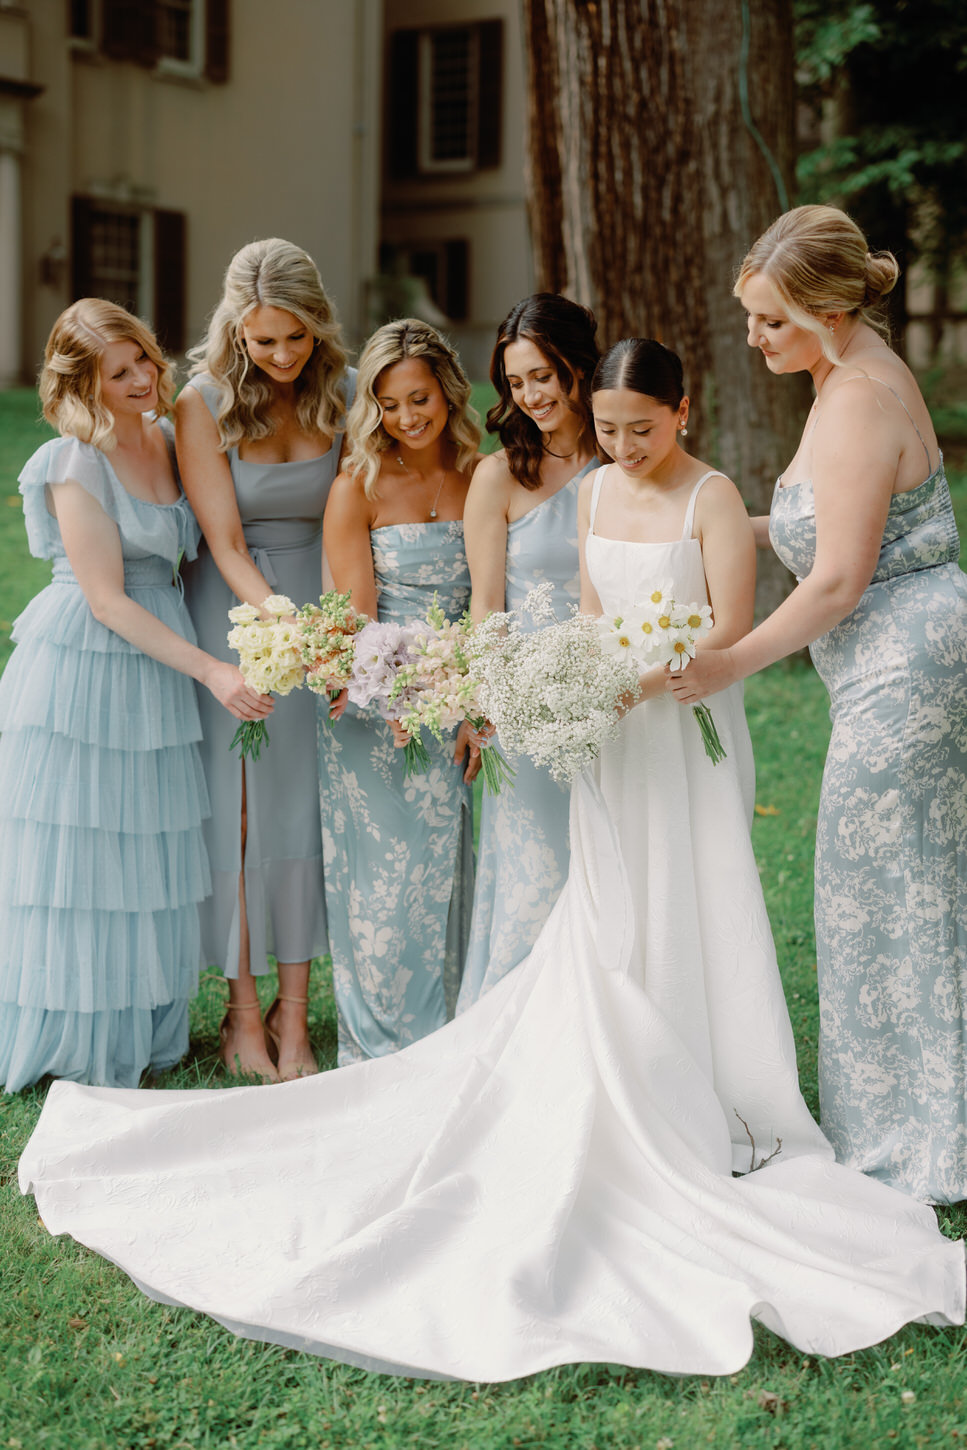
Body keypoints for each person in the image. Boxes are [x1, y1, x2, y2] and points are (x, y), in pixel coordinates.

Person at [18, 337, 964, 1378]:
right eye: (605, 430)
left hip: (681, 723)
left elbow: (722, 624)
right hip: (596, 722)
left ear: (682, 414)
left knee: (704, 894)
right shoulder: (583, 492)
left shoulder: (702, 496)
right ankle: (621, 1071)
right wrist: (567, 685)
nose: (615, 445)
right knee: (604, 906)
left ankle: (720, 1084)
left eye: (635, 427)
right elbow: (574, 613)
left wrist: (628, 678)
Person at [667, 204, 967, 1206]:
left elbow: (836, 580)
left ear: (827, 309)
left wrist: (729, 662)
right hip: (900, 653)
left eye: (769, 321)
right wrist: (709, 527)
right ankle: (929, 1122)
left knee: (875, 888)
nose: (753, 338)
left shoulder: (853, 400)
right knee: (910, 884)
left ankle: (913, 1142)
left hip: (903, 666)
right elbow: (827, 520)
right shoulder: (850, 369)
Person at [0, 299, 269, 1092]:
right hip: (90, 661)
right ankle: (71, 1033)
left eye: (144, 360)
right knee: (84, 853)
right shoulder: (72, 461)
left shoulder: (161, 435)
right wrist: (215, 672)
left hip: (159, 655)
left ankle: (142, 1021)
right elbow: (107, 600)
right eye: (118, 373)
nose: (142, 379)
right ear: (81, 381)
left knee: (146, 843)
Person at [177, 239, 355, 1082]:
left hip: (326, 606)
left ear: (317, 325)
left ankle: (296, 1015)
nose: (282, 358)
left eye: (295, 338)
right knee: (240, 810)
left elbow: (350, 520)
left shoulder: (346, 396)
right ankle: (240, 1012)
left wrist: (332, 631)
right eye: (263, 342)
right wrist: (282, 626)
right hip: (238, 610)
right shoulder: (202, 402)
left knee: (303, 809)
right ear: (235, 331)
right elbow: (224, 538)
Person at [319, 318, 481, 1064]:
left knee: (463, 870)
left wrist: (469, 695)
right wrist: (398, 693)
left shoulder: (485, 472)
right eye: (388, 405)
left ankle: (461, 1033)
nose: (407, 418)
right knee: (389, 884)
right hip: (379, 707)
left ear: (448, 390)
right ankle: (386, 1048)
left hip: (469, 697)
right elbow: (354, 616)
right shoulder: (358, 486)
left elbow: (495, 592)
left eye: (419, 399)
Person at [459, 294, 600, 1008]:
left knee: (609, 875)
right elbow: (486, 605)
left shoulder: (624, 456)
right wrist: (484, 704)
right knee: (537, 874)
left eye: (543, 375)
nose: (532, 396)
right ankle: (518, 1029)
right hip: (528, 709)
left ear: (579, 365)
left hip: (617, 696)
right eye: (516, 383)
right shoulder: (498, 475)